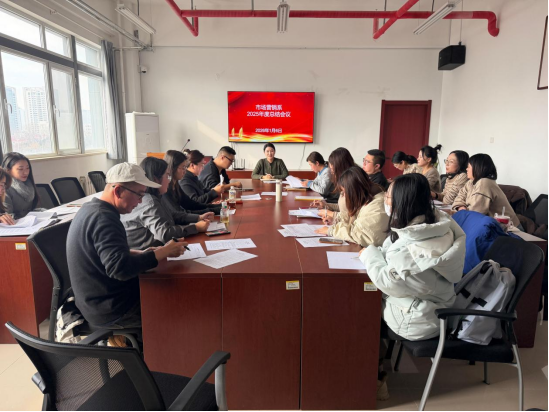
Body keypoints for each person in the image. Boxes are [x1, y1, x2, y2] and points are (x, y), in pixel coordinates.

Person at [67, 163, 188, 330]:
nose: (140, 201)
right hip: (111, 309)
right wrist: (163, 252)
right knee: (177, 305)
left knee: (167, 289)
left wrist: (141, 253)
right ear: (118, 191)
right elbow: (120, 269)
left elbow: (101, 254)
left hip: (94, 302)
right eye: (139, 194)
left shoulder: (91, 208)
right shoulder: (104, 219)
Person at [360, 173, 466, 341]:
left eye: (388, 197)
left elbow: (387, 282)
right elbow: (390, 253)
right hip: (424, 305)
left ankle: (367, 353)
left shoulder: (417, 248)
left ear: (404, 201)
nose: (384, 201)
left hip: (416, 320)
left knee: (359, 304)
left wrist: (369, 254)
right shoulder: (429, 226)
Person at [122, 157, 212, 250]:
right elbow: (164, 234)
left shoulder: (155, 196)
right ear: (155, 179)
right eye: (167, 176)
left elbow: (172, 214)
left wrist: (198, 217)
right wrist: (196, 227)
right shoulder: (149, 202)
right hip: (148, 255)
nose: (169, 180)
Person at [315, 167, 389, 248]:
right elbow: (355, 216)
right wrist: (336, 220)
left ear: (354, 190)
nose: (344, 195)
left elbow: (361, 235)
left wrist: (332, 230)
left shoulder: (377, 206)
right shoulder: (366, 197)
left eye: (345, 192)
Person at [452, 154, 520, 228]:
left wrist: (463, 213)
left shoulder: (484, 183)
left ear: (477, 167)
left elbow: (476, 213)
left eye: (468, 166)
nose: (466, 169)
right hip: (493, 226)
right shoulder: (470, 182)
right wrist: (461, 207)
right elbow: (460, 197)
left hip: (509, 229)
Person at [163, 150, 222, 217]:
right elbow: (181, 214)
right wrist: (214, 210)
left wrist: (218, 206)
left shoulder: (176, 184)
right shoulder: (166, 188)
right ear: (173, 168)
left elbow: (191, 204)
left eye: (185, 167)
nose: (185, 171)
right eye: (183, 167)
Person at [311, 147, 357, 213]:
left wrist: (331, 214)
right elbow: (342, 207)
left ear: (340, 167)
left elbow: (349, 214)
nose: (331, 172)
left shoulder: (352, 182)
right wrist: (325, 205)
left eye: (332, 169)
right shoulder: (343, 180)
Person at [1, 152, 40, 219]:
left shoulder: (29, 184)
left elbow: (34, 208)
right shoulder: (4, 189)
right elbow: (8, 216)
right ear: (8, 170)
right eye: (20, 169)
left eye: (27, 168)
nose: (26, 172)